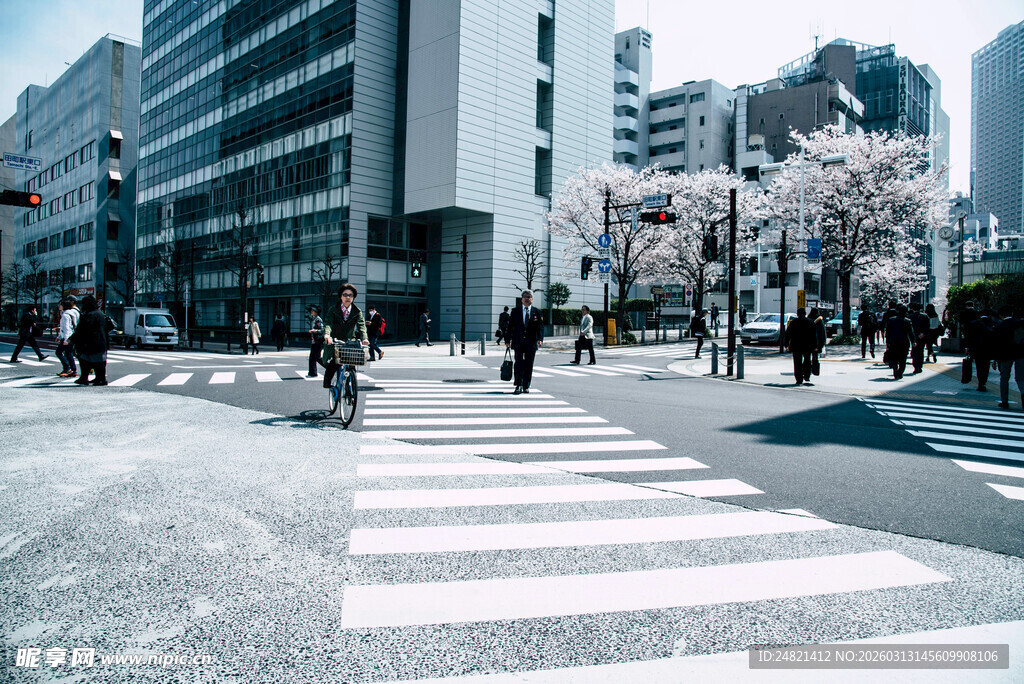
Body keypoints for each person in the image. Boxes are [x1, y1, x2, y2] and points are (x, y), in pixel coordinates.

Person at [321, 283, 369, 389]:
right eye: (345, 295)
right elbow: (328, 323)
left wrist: (364, 338)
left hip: (349, 341)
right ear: (340, 296)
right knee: (334, 362)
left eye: (350, 295)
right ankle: (328, 383)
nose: (348, 297)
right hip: (335, 340)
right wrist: (327, 335)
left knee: (352, 364)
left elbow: (361, 326)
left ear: (353, 297)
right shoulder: (333, 309)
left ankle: (350, 388)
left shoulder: (357, 311)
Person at [506, 289, 544, 394]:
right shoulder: (515, 311)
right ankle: (518, 385)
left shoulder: (537, 312)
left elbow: (540, 327)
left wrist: (540, 339)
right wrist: (507, 340)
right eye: (525, 297)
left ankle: (526, 385)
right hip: (518, 341)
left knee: (529, 364)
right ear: (522, 299)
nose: (527, 299)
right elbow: (510, 327)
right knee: (518, 363)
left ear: (532, 299)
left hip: (531, 342)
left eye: (529, 297)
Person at [69, 295, 111, 386]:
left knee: (85, 360)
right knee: (100, 362)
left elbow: (82, 330)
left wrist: (72, 339)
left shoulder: (89, 315)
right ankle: (100, 378)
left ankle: (85, 378)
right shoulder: (100, 314)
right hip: (101, 342)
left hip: (90, 343)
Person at [992, 305, 1023, 410]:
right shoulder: (1020, 323)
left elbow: (996, 345)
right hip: (1020, 354)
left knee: (1004, 378)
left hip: (1005, 355)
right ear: (1012, 314)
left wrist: (995, 359)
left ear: (1001, 316)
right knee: (1021, 378)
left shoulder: (999, 327)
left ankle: (1004, 401)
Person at [966, 308, 996, 392]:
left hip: (977, 349)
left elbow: (969, 337)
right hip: (988, 349)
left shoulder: (974, 323)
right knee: (986, 366)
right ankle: (984, 382)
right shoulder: (992, 323)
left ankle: (980, 383)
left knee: (979, 366)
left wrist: (968, 348)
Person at [785, 308, 816, 386]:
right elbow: (814, 335)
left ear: (797, 314)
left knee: (797, 363)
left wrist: (786, 344)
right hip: (807, 345)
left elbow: (788, 334)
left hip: (796, 345)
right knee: (807, 361)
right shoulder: (810, 322)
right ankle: (807, 375)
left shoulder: (793, 322)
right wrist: (815, 345)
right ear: (805, 314)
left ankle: (799, 379)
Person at [885, 304, 915, 380]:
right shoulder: (907, 321)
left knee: (894, 357)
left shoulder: (891, 320)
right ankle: (900, 372)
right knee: (903, 359)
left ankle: (895, 370)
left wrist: (887, 341)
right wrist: (913, 341)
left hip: (893, 342)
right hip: (904, 342)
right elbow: (911, 333)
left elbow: (888, 332)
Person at [55, 296, 80, 378]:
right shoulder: (69, 313)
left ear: (64, 306)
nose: (59, 306)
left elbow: (66, 328)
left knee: (59, 352)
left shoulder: (65, 315)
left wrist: (65, 339)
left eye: (60, 305)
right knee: (69, 354)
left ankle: (67, 368)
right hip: (71, 336)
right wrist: (59, 337)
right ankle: (73, 370)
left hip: (68, 337)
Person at [908, 302, 930, 373]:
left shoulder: (910, 316)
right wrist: (923, 333)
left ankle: (916, 366)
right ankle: (920, 366)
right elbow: (928, 326)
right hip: (922, 336)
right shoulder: (925, 316)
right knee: (921, 351)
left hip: (914, 336)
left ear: (912, 308)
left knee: (914, 351)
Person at [306, 305, 324, 378]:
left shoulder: (318, 319)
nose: (311, 312)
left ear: (316, 312)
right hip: (314, 341)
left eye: (313, 311)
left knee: (317, 357)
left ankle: (329, 367)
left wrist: (315, 331)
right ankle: (312, 373)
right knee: (312, 358)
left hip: (318, 341)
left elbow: (322, 330)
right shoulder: (313, 319)